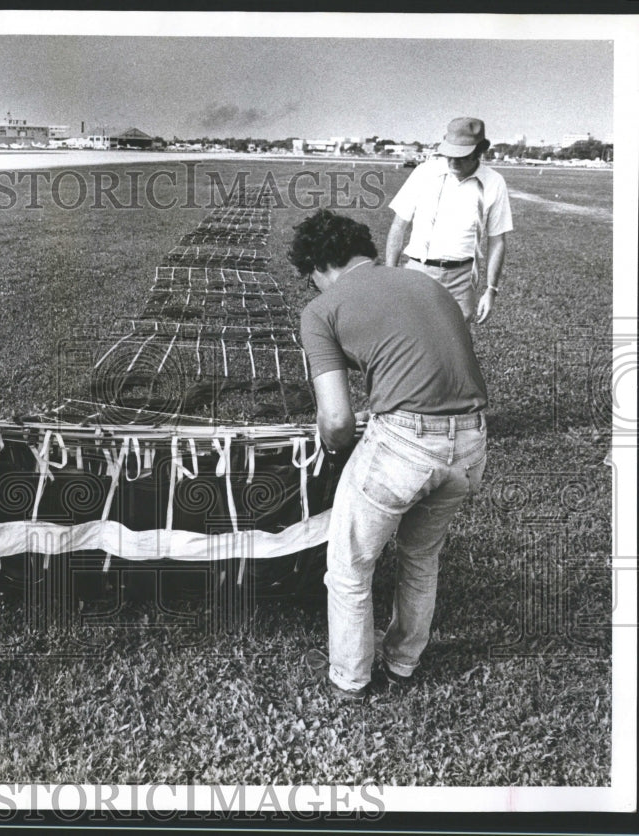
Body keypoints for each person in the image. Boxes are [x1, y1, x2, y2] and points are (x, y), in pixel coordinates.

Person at [292, 209, 489, 703]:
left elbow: (336, 421)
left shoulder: (321, 310)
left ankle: (350, 679)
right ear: (365, 250)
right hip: (471, 443)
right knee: (421, 557)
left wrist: (339, 449)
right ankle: (403, 664)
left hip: (404, 444)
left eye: (309, 279)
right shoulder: (430, 285)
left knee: (350, 565)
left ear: (318, 267)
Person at [385, 117, 513, 326]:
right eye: (449, 155)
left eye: (461, 157)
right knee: (412, 340)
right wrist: (390, 275)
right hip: (419, 272)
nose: (453, 162)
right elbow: (398, 226)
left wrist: (491, 290)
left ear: (479, 152)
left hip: (463, 279)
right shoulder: (424, 172)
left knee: (454, 348)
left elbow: (497, 240)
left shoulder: (494, 182)